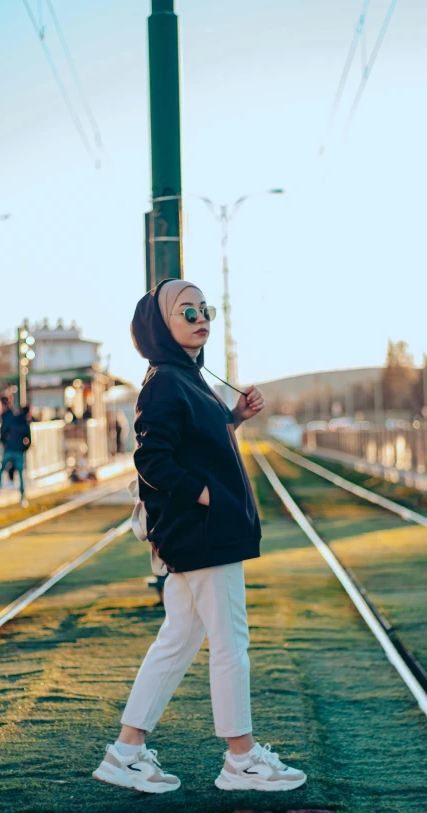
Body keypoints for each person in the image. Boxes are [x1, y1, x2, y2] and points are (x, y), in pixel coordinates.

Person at [93, 280, 307, 795]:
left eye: (203, 308)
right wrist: (206, 496)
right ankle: (242, 759)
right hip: (203, 536)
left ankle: (125, 752)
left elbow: (193, 443)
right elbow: (152, 460)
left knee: (176, 642)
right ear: (159, 326)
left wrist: (232, 419)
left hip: (199, 536)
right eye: (185, 310)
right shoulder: (167, 381)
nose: (199, 316)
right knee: (231, 644)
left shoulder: (188, 378)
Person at [0, 405, 32, 506]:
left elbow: (3, 433)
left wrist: (6, 444)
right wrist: (23, 449)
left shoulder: (13, 420)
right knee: (20, 473)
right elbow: (29, 440)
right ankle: (22, 495)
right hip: (18, 450)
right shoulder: (25, 423)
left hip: (9, 449)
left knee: (2, 469)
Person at [0, 396, 16, 481]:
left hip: (8, 441)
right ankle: (10, 479)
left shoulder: (8, 415)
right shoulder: (10, 414)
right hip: (9, 441)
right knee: (9, 461)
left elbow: (5, 429)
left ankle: (10, 478)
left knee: (8, 461)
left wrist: (3, 439)